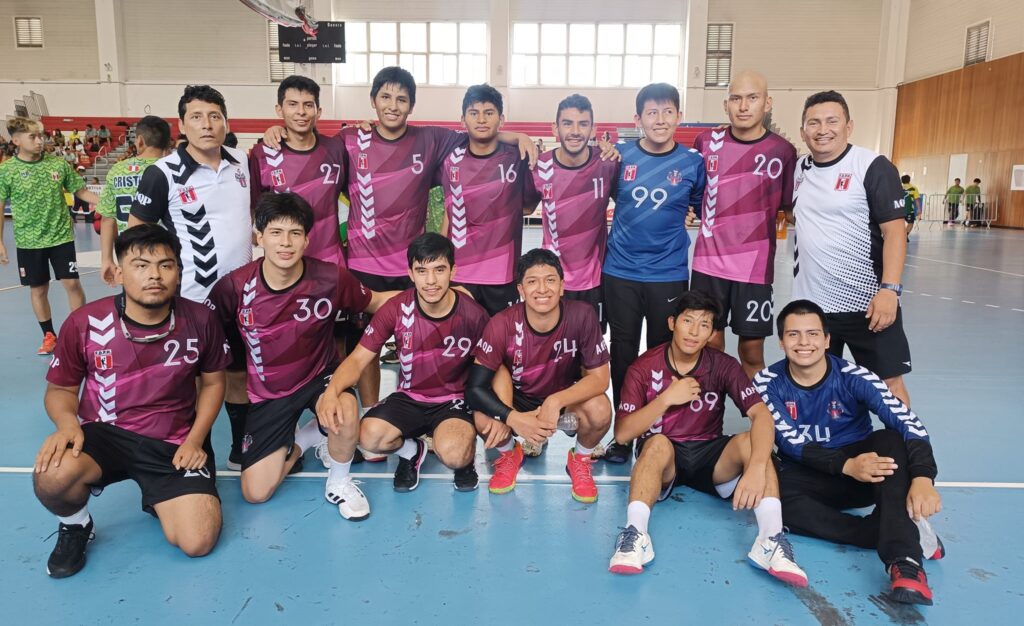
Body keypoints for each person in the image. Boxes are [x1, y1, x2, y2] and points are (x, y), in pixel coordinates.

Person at [262, 67, 536, 369]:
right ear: (373, 100)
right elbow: (311, 146)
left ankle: (415, 404)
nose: (393, 105)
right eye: (386, 97)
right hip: (362, 265)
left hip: (410, 266)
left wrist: (519, 136)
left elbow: (478, 133)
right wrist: (277, 131)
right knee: (362, 346)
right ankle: (366, 408)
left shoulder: (430, 139)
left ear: (412, 105)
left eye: (402, 99)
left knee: (417, 341)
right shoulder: (350, 140)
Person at [33, 224, 230, 578]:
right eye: (140, 265)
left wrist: (195, 439)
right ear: (118, 273)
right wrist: (67, 425)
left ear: (179, 272)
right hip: (103, 432)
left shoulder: (201, 319)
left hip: (172, 441)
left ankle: (161, 495)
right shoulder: (84, 323)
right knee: (51, 474)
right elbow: (61, 390)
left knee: (197, 540)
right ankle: (76, 525)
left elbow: (215, 383)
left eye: (166, 265)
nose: (154, 275)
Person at [210, 193, 392, 517]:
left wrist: (432, 294)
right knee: (255, 493)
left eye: (295, 233)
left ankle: (339, 481)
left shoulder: (330, 278)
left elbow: (377, 301)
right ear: (259, 237)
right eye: (276, 233)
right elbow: (206, 334)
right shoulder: (234, 288)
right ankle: (310, 437)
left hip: (319, 380)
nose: (286, 243)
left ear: (307, 240)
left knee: (346, 411)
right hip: (269, 394)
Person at [606, 290, 806, 583]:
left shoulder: (723, 364)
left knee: (752, 441)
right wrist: (665, 399)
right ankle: (635, 535)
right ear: (673, 322)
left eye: (704, 325)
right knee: (657, 443)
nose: (694, 331)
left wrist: (756, 467)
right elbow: (622, 433)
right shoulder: (643, 367)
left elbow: (761, 415)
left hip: (710, 456)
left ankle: (771, 539)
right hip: (666, 457)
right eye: (688, 321)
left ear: (712, 332)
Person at [753, 299, 943, 605]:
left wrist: (923, 477)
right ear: (781, 341)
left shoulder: (856, 376)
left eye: (813, 334)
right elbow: (789, 441)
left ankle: (905, 562)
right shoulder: (767, 382)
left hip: (865, 477)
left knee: (890, 441)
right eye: (794, 335)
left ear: (827, 340)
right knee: (771, 494)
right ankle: (895, 528)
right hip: (812, 474)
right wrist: (844, 465)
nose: (804, 343)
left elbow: (907, 422)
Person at [130, 85, 254, 465]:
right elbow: (138, 235)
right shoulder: (161, 174)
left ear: (225, 122)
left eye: (215, 116)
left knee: (236, 373)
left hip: (241, 295)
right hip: (191, 300)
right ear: (181, 125)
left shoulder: (241, 163)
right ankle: (199, 449)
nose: (207, 124)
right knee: (196, 379)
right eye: (197, 117)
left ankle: (240, 445)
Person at [244, 75, 364, 466]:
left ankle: (340, 425)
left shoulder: (336, 148)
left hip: (332, 266)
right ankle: (301, 420)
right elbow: (254, 211)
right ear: (279, 110)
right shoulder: (262, 154)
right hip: (286, 273)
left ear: (318, 110)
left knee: (341, 346)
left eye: (308, 105)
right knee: (294, 341)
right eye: (292, 105)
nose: (300, 112)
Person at [317, 233, 490, 492]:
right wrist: (331, 393)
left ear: (453, 271)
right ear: (410, 273)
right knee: (367, 438)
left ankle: (464, 463)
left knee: (454, 454)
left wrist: (496, 413)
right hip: (409, 397)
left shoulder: (473, 314)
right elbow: (357, 360)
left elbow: (493, 366)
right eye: (422, 271)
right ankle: (412, 451)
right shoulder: (396, 308)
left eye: (439, 270)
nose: (430, 281)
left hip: (454, 400)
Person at [602, 83, 706, 463]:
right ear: (638, 119)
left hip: (669, 273)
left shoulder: (693, 163)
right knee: (624, 353)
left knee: (664, 355)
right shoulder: (620, 159)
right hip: (621, 272)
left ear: (679, 116)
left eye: (667, 112)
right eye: (651, 113)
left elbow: (697, 206)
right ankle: (624, 432)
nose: (660, 120)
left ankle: (658, 431)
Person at [792, 90, 913, 407]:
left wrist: (890, 289)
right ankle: (825, 452)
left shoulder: (871, 166)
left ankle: (907, 452)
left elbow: (895, 232)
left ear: (849, 126)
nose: (823, 129)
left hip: (868, 304)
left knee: (888, 383)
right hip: (813, 305)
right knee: (813, 384)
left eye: (832, 121)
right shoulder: (798, 170)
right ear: (803, 130)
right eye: (813, 123)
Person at [467, 249, 611, 500]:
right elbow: (474, 389)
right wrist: (510, 416)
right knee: (482, 418)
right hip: (519, 401)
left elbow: (600, 379)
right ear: (521, 291)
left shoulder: (583, 315)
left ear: (563, 286)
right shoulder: (501, 323)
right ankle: (510, 454)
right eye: (532, 282)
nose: (542, 289)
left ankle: (580, 459)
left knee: (600, 409)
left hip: (565, 403)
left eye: (550, 280)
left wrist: (555, 401)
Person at [690, 71, 797, 379]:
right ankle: (708, 422)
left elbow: (790, 209)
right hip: (708, 266)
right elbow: (691, 189)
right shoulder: (706, 142)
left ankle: (760, 421)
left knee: (751, 352)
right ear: (726, 105)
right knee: (710, 346)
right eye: (736, 98)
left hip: (754, 268)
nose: (744, 106)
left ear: (767, 103)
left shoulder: (782, 152)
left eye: (753, 98)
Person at [437, 84, 542, 316]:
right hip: (459, 274)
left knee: (502, 346)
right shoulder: (448, 159)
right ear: (463, 120)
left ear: (501, 119)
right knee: (459, 347)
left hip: (502, 275)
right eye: (474, 113)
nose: (481, 120)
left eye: (489, 113)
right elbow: (448, 209)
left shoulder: (518, 156)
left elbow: (529, 205)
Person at [0, 117, 97, 355]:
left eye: (41, 135)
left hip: (61, 236)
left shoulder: (58, 165)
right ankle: (49, 335)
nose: (40, 140)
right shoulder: (6, 171)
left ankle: (79, 333)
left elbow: (80, 190)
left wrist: (106, 201)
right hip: (28, 241)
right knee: (38, 289)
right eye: (33, 136)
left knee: (72, 283)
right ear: (16, 140)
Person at [530, 94, 619, 328]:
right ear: (555, 128)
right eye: (567, 123)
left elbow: (629, 201)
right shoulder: (540, 167)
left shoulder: (608, 162)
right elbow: (524, 206)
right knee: (552, 350)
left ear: (593, 129)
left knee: (591, 349)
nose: (575, 131)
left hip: (595, 280)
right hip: (552, 280)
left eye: (583, 124)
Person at [96, 116, 172, 285]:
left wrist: (107, 259)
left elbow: (108, 219)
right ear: (168, 143)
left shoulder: (117, 169)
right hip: (165, 255)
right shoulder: (171, 169)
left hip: (130, 255)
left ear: (139, 141)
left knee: (133, 308)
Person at [901, 174, 921, 239]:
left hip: (899, 210)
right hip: (909, 210)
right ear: (909, 180)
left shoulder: (898, 187)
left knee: (899, 224)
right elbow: (917, 199)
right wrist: (919, 209)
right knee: (910, 223)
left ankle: (902, 236)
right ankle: (905, 235)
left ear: (902, 181)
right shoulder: (913, 188)